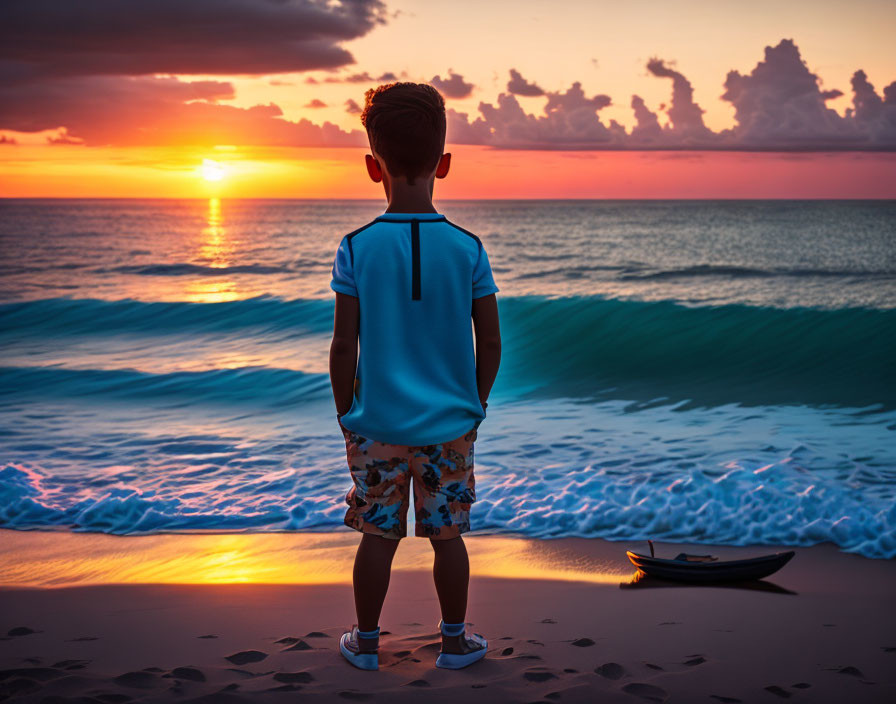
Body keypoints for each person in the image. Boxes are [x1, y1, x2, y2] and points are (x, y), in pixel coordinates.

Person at [328, 82, 502, 671]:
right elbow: (492, 340)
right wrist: (473, 402)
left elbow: (344, 343)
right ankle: (454, 643)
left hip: (375, 421)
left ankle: (367, 644)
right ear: (444, 165)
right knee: (448, 536)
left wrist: (345, 410)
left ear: (372, 167)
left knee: (377, 535)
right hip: (449, 423)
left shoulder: (356, 247)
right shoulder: (469, 248)